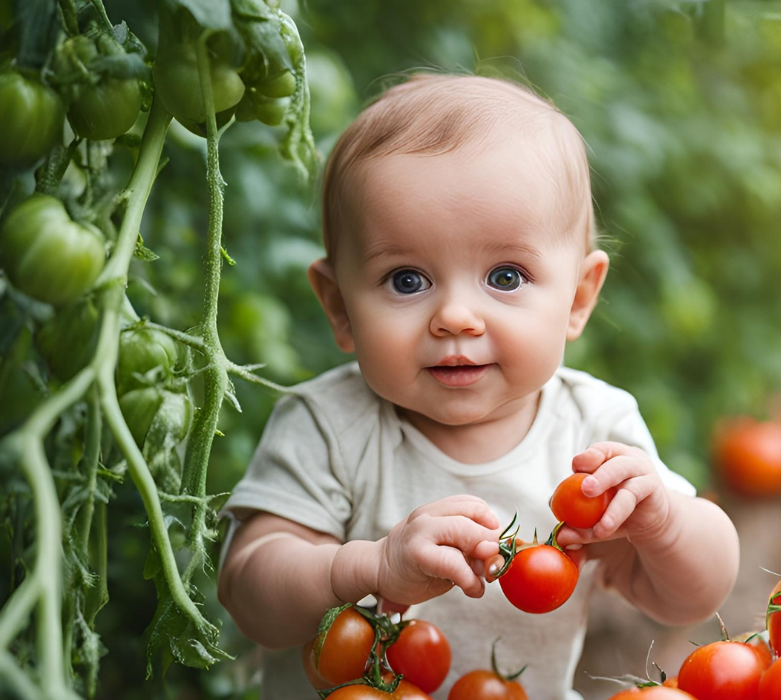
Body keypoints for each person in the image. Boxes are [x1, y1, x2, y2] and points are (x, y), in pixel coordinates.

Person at [216, 73, 740, 700]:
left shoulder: (593, 429)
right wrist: (365, 567)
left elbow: (692, 599)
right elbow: (249, 590)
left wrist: (666, 525)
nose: (456, 316)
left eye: (506, 276)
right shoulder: (329, 425)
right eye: (407, 280)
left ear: (578, 298)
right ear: (338, 306)